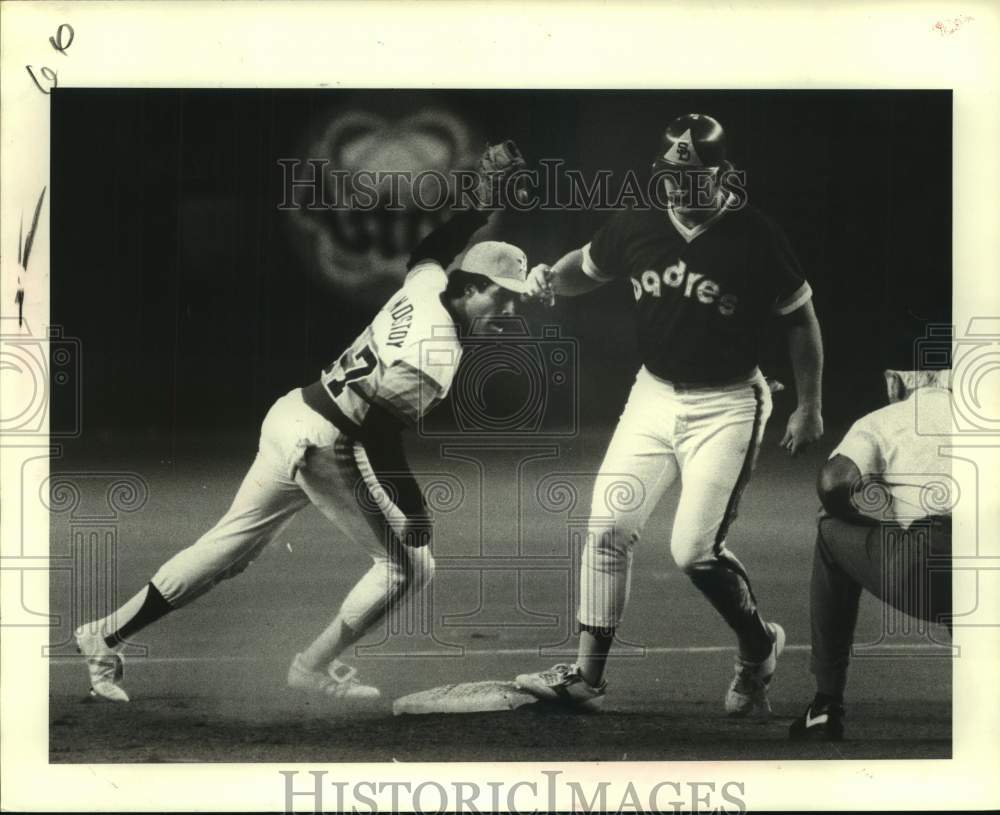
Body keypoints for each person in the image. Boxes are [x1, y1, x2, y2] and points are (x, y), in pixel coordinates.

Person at [75, 142, 530, 702]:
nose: (507, 312)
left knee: (228, 550)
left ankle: (104, 635)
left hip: (294, 412)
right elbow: (380, 434)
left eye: (514, 302)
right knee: (412, 567)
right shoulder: (436, 351)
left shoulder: (428, 287)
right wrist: (415, 509)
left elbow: (431, 249)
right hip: (331, 441)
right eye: (499, 298)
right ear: (467, 288)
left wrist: (479, 208)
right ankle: (311, 668)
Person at [516, 113, 824, 715]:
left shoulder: (755, 234)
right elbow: (587, 266)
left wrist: (809, 405)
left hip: (729, 404)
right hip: (653, 395)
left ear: (723, 172)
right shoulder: (638, 222)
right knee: (606, 528)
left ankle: (759, 649)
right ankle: (586, 677)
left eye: (694, 174)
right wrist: (550, 279)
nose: (680, 186)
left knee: (693, 552)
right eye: (671, 174)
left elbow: (801, 321)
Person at [789, 369, 953, 741]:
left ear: (896, 383)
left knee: (829, 529)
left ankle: (825, 705)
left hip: (926, 561)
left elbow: (834, 484)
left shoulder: (883, 419)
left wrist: (876, 526)